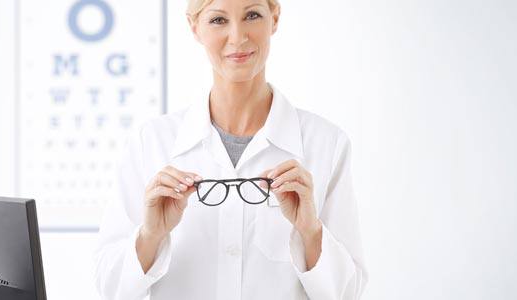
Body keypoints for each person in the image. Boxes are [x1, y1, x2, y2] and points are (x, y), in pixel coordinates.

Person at [95, 0, 367, 298]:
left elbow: (348, 293)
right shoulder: (152, 143)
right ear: (194, 26)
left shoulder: (326, 144)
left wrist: (311, 231)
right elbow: (110, 289)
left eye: (252, 15)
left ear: (274, 18)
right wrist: (151, 235)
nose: (237, 37)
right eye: (218, 20)